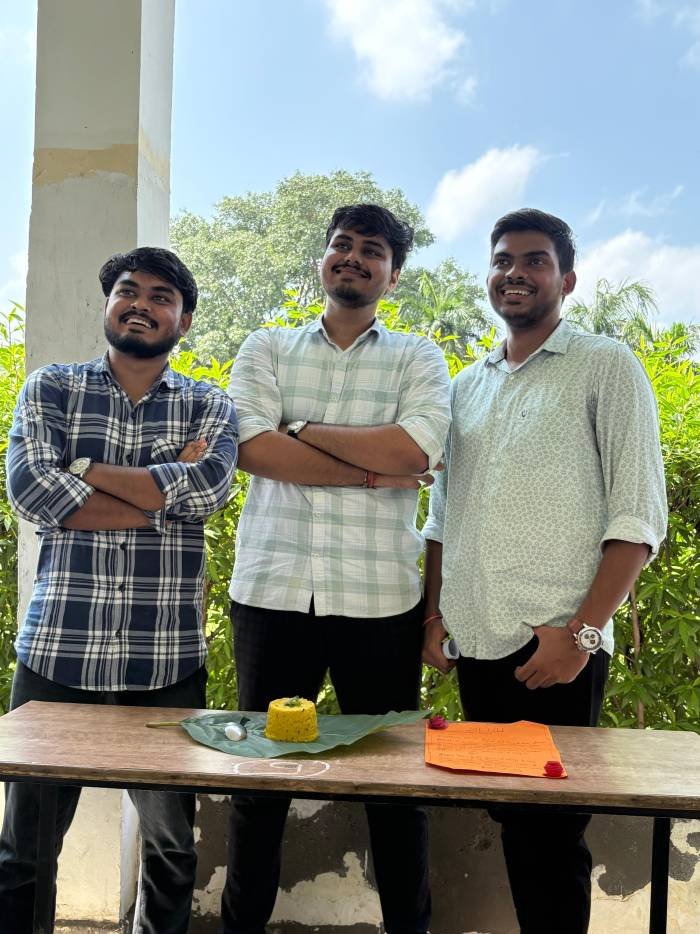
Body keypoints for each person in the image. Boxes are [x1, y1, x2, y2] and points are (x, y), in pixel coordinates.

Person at [422, 208, 668, 934]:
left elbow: (637, 517)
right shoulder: (465, 387)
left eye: (535, 261)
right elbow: (442, 517)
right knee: (512, 819)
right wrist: (434, 616)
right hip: (476, 645)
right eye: (503, 260)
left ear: (567, 279)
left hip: (555, 651)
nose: (515, 273)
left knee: (553, 831)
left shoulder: (605, 365)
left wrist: (581, 635)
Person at [220, 204, 451, 934]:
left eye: (372, 250)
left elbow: (415, 451)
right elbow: (250, 448)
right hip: (272, 595)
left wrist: (300, 429)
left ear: (392, 274)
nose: (352, 257)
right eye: (341, 245)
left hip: (380, 604)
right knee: (261, 783)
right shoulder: (266, 345)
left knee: (395, 789)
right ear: (322, 259)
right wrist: (370, 474)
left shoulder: (418, 357)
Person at [0, 247, 238, 934]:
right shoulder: (52, 388)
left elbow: (209, 490)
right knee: (23, 851)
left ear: (183, 321)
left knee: (171, 850)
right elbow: (30, 488)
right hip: (58, 654)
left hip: (164, 663)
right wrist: (161, 494)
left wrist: (83, 470)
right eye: (128, 291)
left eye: (162, 296)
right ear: (108, 305)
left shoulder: (209, 403)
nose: (141, 304)